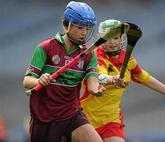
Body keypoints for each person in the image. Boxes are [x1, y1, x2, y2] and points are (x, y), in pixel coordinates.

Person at [80, 19, 165, 142]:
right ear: (100, 39)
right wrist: (113, 79)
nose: (112, 42)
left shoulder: (128, 59)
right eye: (107, 38)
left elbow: (144, 78)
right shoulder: (94, 57)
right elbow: (98, 76)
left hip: (111, 120)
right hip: (86, 120)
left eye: (115, 38)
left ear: (121, 38)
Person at [23, 1, 105, 142]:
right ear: (66, 25)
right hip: (44, 118)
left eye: (87, 28)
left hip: (71, 114)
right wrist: (39, 80)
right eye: (80, 28)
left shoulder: (89, 54)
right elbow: (26, 82)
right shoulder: (45, 48)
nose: (84, 33)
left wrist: (96, 89)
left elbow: (92, 81)